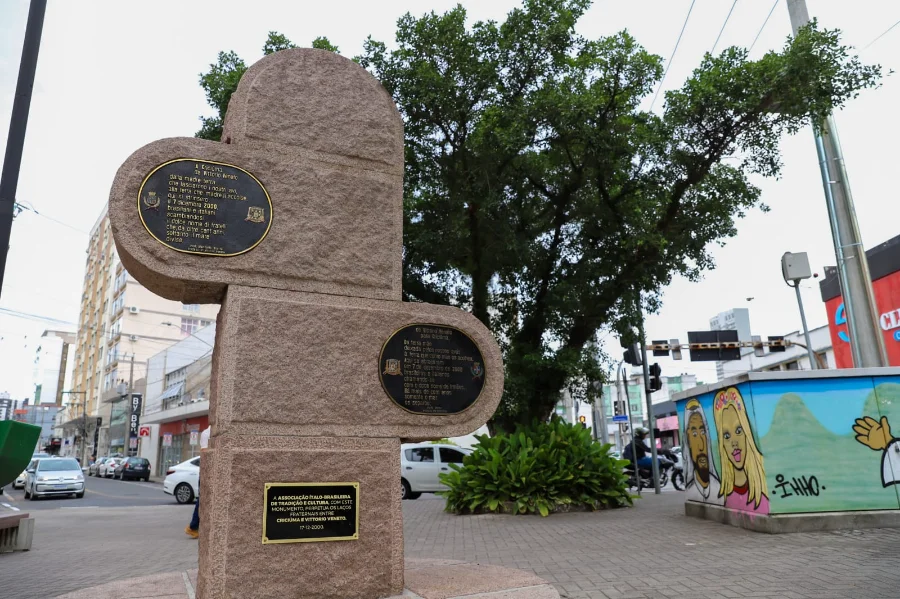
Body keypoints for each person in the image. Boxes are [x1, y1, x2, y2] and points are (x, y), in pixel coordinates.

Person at [713, 387, 769, 514]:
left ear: (747, 432)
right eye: (726, 436)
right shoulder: (728, 497)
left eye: (739, 431)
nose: (733, 442)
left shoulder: (762, 498)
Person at [682, 399, 722, 504]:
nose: (701, 446)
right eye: (694, 434)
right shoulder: (690, 488)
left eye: (703, 432)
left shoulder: (719, 488)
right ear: (687, 441)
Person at [185, 426, 210, 539]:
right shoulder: (207, 433)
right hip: (207, 473)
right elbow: (205, 455)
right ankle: (193, 527)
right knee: (202, 500)